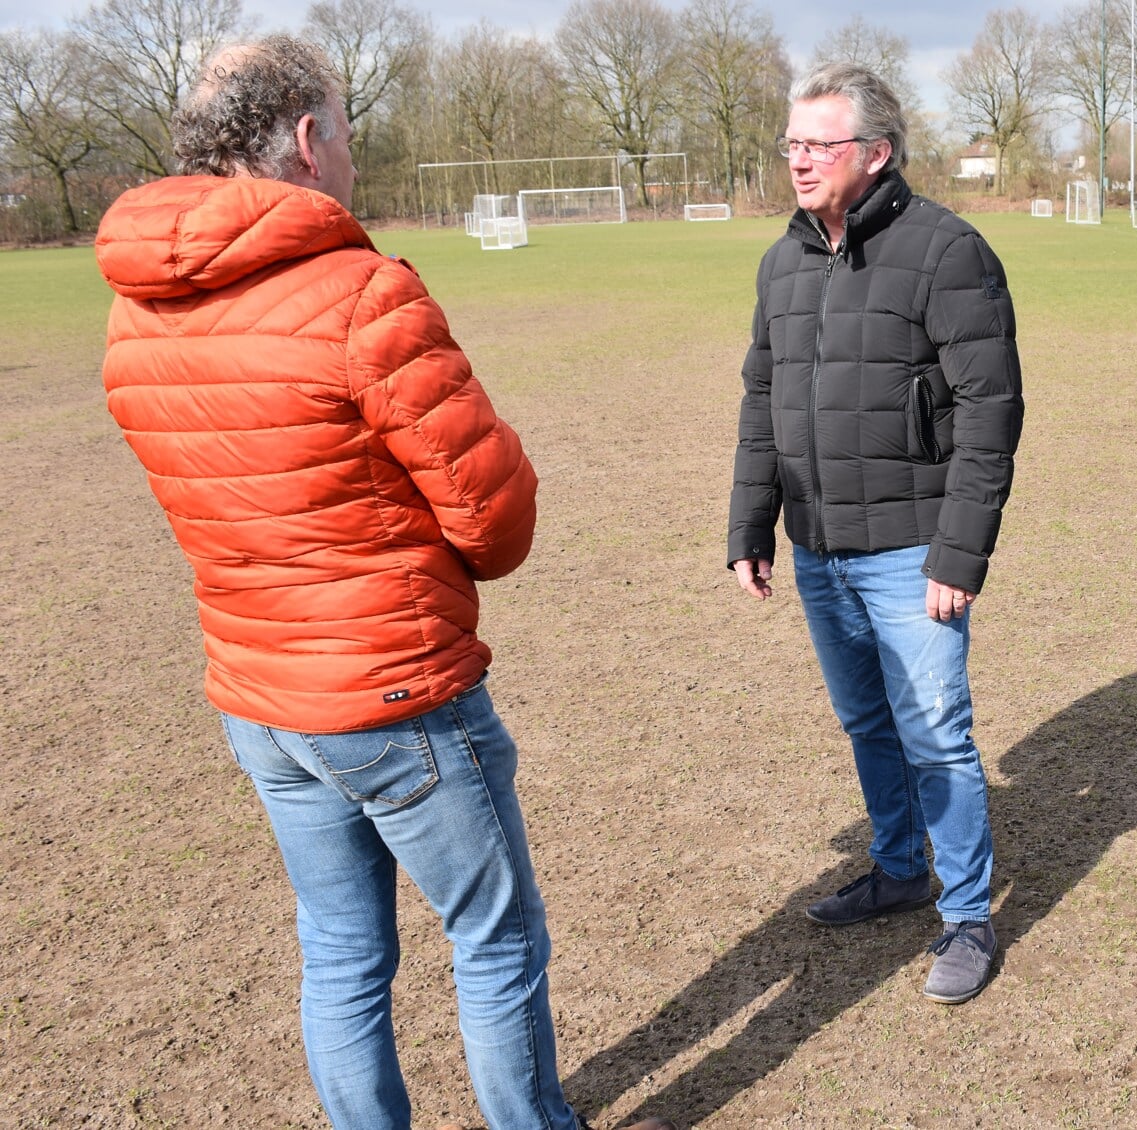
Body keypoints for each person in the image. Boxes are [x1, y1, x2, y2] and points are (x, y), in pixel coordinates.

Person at [94, 36, 670, 1130]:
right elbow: (494, 519)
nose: (354, 161)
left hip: (259, 694)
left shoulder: (134, 314)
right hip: (392, 689)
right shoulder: (360, 293)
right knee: (495, 933)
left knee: (342, 951)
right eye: (348, 136)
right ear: (308, 142)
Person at [727, 62, 1025, 1006]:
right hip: (819, 547)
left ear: (877, 153)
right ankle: (898, 869)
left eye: (819, 144)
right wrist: (753, 522)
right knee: (867, 723)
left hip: (912, 552)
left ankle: (967, 915)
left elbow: (991, 409)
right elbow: (764, 397)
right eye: (792, 143)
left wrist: (959, 551)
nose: (799, 160)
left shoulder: (948, 251)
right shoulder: (781, 261)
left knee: (937, 735)